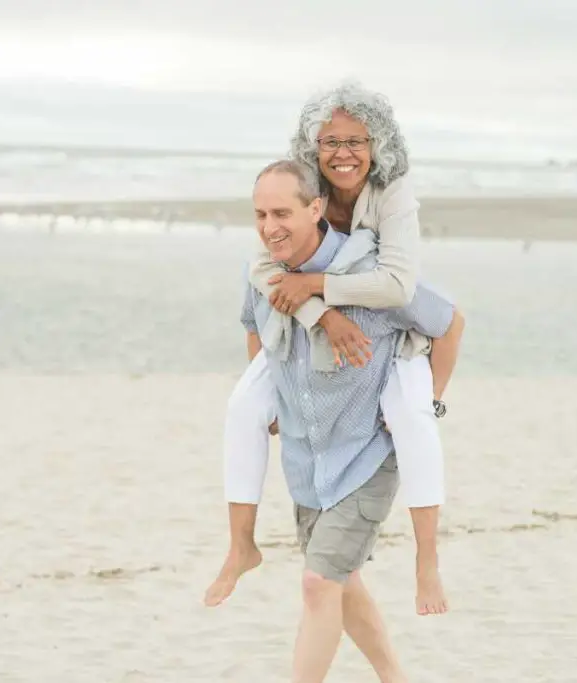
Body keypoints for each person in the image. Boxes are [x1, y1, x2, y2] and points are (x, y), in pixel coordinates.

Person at [205, 81, 465, 615]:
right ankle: (240, 545)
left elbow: (396, 287)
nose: (342, 153)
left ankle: (428, 561)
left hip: (390, 320)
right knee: (241, 408)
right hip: (302, 326)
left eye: (356, 141)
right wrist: (316, 312)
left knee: (413, 421)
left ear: (378, 144)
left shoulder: (393, 194)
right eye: (330, 142)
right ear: (312, 147)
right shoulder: (302, 189)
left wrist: (320, 288)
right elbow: (263, 269)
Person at [239, 159, 460, 682]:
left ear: (315, 209)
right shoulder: (264, 270)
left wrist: (431, 403)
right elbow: (255, 323)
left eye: (282, 213)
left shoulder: (370, 273)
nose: (270, 226)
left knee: (318, 583)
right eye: (260, 214)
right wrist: (267, 396)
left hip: (367, 454)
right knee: (341, 579)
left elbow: (450, 324)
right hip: (306, 456)